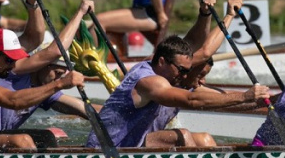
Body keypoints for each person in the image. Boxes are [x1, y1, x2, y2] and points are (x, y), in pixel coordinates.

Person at [90, 35, 269, 150]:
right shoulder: (150, 82)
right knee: (182, 134)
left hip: (137, 141)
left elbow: (222, 98)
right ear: (162, 61)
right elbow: (192, 100)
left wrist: (271, 100)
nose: (186, 76)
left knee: (205, 139)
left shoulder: (172, 75)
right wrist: (228, 16)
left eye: (188, 71)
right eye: (182, 70)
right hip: (108, 148)